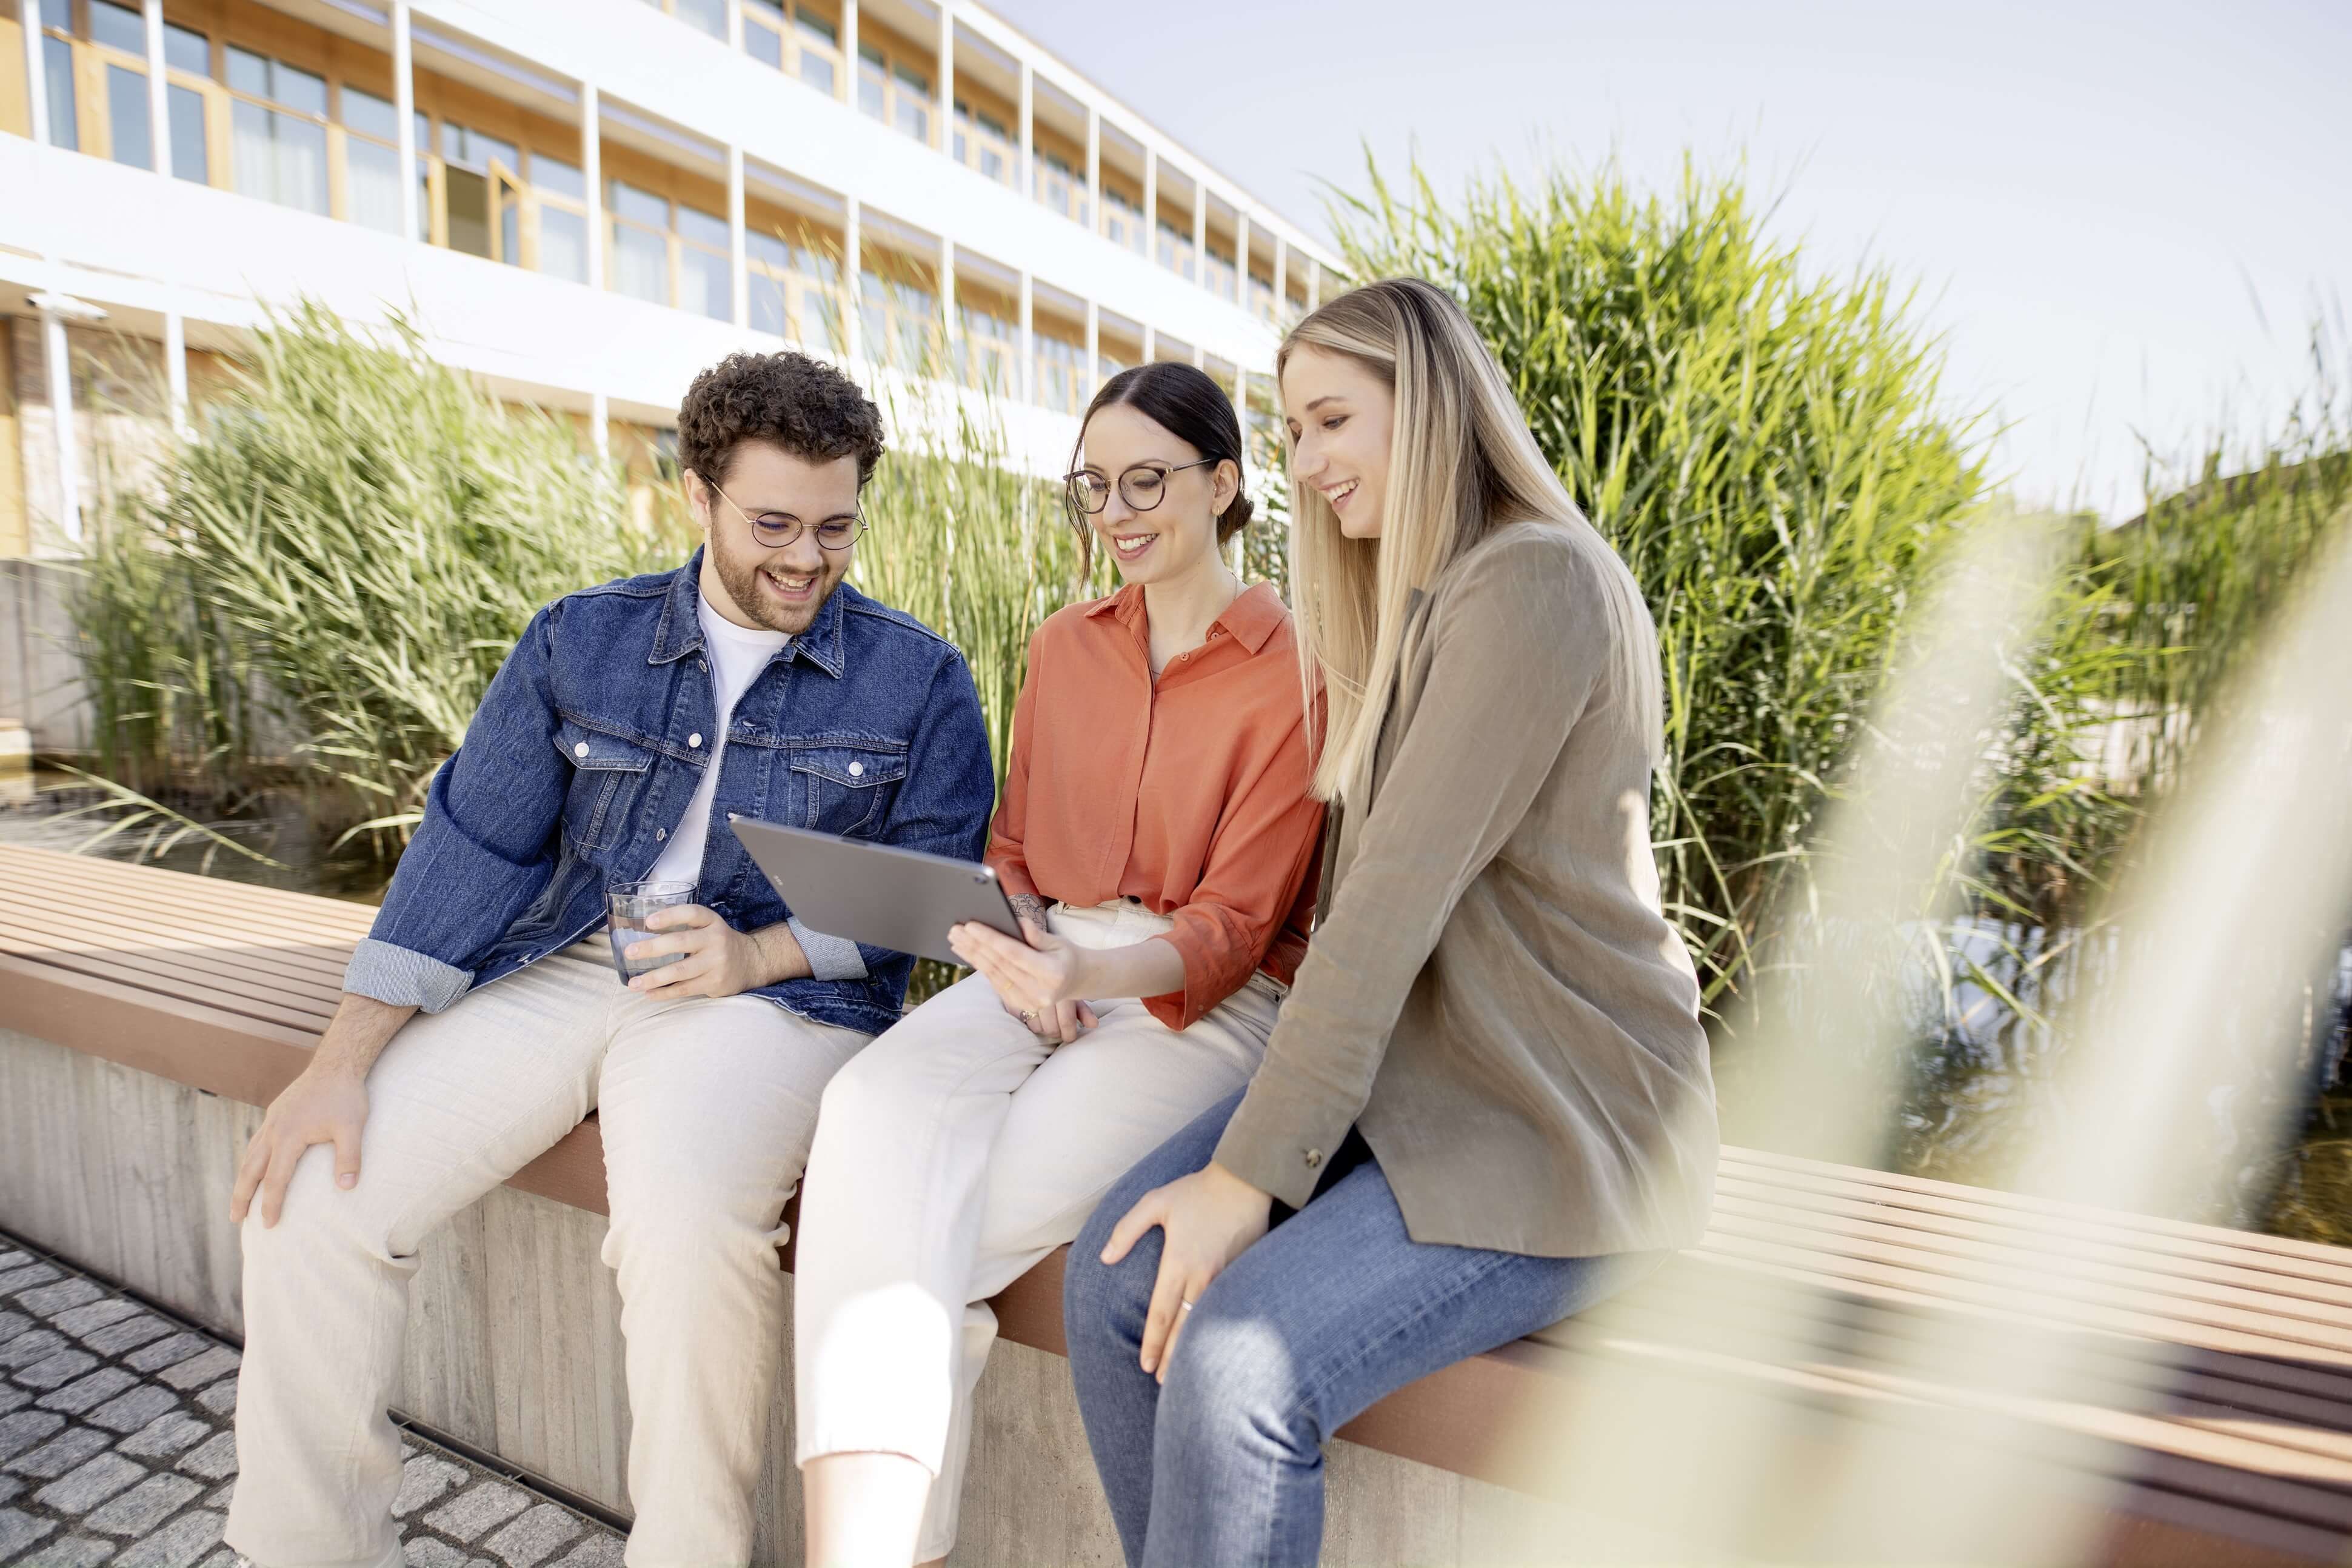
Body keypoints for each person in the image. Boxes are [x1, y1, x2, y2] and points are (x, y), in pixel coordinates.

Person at [223, 352, 996, 1568]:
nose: (805, 559)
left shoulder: (921, 680)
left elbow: (931, 901)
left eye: (835, 528)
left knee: (686, 1235)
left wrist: (754, 955)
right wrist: (339, 1062)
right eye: (773, 524)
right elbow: (466, 852)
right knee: (310, 1202)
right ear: (695, 495)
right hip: (575, 960)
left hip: (770, 998)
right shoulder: (579, 642)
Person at [1061, 278, 1722, 1568]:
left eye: (1329, 423)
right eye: (1291, 433)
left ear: (1425, 409)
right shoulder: (1419, 601)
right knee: (1109, 1283)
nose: (1301, 468)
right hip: (1420, 1096)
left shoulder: (1531, 587)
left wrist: (1246, 1181)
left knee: (1237, 1370)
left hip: (1559, 1123)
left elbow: (1382, 914)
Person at [790, 362, 1326, 1568]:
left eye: (1148, 480)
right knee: (864, 1102)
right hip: (1046, 958)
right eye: (1094, 487)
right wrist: (1017, 934)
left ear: (1225, 483)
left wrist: (1085, 979)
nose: (1118, 513)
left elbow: (1234, 930)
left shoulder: (1295, 668)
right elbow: (1016, 842)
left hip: (1202, 1008)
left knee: (918, 1222)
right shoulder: (1063, 645)